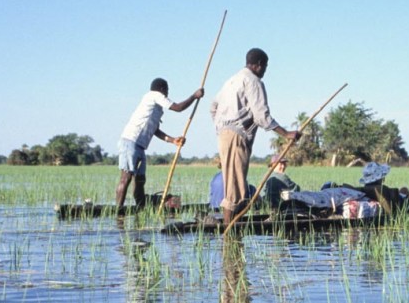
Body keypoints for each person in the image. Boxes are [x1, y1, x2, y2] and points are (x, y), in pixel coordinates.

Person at [210, 48, 299, 225]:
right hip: (236, 136)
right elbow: (261, 116)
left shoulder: (231, 80)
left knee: (232, 184)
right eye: (265, 66)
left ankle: (231, 231)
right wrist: (286, 134)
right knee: (235, 189)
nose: (265, 71)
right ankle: (230, 234)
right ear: (258, 65)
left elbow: (213, 106)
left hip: (224, 135)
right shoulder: (253, 81)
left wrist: (221, 127)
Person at [116, 78, 204, 211]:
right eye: (167, 90)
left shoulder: (155, 108)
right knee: (126, 178)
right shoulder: (155, 96)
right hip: (130, 142)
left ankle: (140, 210)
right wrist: (194, 96)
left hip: (140, 146)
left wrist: (173, 140)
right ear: (163, 89)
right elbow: (178, 108)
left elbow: (155, 130)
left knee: (140, 181)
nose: (168, 93)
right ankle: (119, 212)